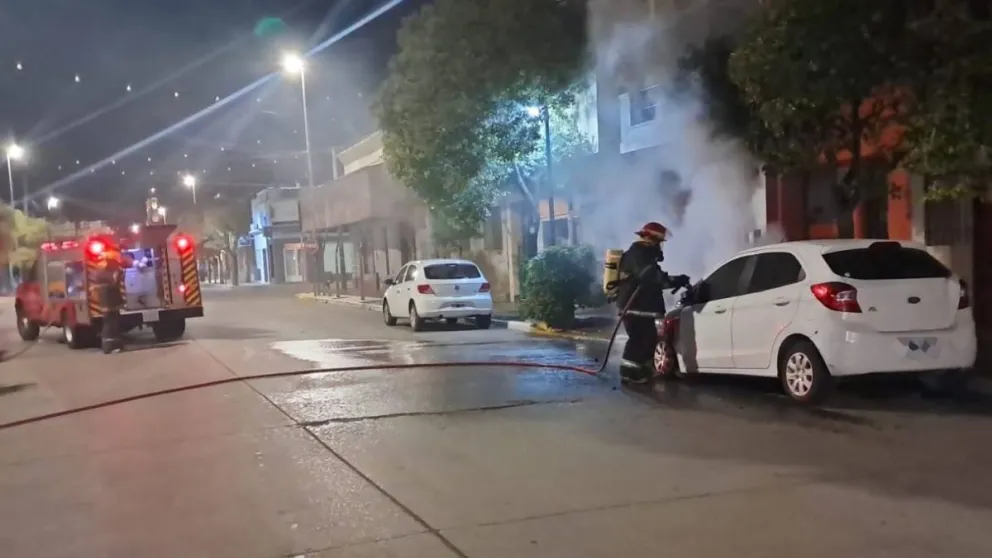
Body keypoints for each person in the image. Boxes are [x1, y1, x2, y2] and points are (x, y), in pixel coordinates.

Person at [614, 221, 690, 385]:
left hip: (641, 307)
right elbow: (652, 278)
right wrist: (676, 280)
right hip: (635, 307)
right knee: (639, 340)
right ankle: (629, 373)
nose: (660, 246)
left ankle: (642, 372)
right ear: (650, 239)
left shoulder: (645, 256)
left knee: (647, 340)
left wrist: (676, 280)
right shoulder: (638, 255)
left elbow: (656, 278)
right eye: (659, 242)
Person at [95, 248, 127, 354]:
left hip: (111, 303)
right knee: (110, 325)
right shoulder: (106, 273)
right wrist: (119, 273)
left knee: (113, 324)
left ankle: (116, 345)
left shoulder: (104, 272)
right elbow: (114, 283)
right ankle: (108, 346)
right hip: (109, 303)